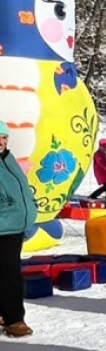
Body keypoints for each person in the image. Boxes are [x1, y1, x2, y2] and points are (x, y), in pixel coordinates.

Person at [0, 121, 37, 337]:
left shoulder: (8, 160)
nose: (2, 142)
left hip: (14, 226)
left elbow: (21, 188)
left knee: (5, 273)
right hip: (5, 226)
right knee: (10, 275)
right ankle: (14, 320)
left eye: (4, 137)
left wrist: (31, 205)